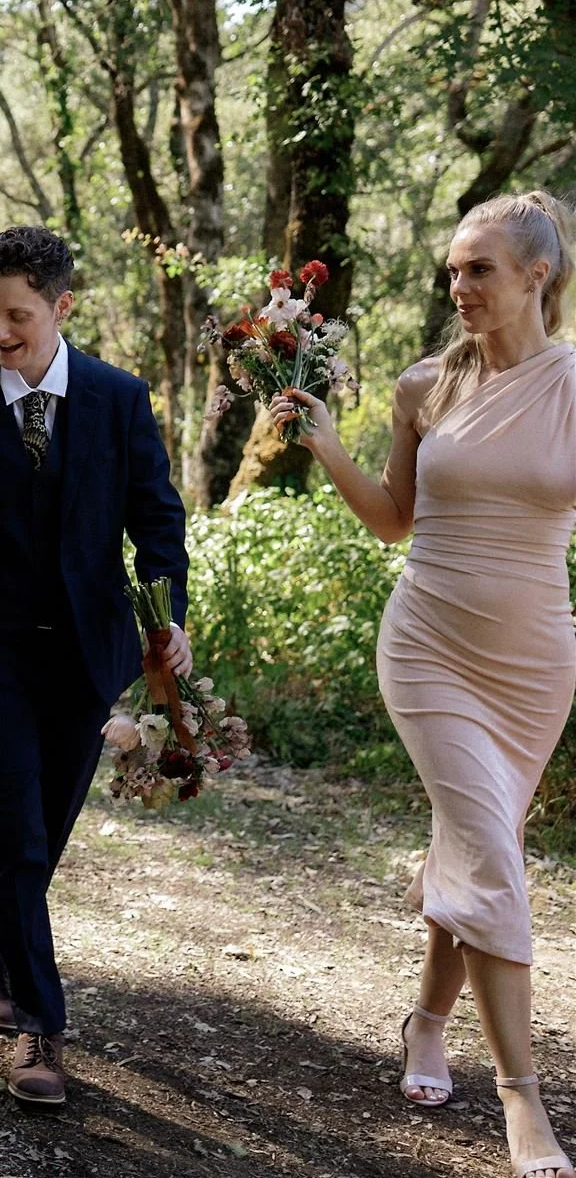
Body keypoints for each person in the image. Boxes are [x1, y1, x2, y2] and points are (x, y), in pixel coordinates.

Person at [269, 192, 574, 1178]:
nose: (457, 286)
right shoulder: (421, 386)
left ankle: (425, 1022)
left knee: (474, 847)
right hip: (427, 645)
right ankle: (521, 1103)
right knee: (491, 856)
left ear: (537, 274)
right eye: (450, 269)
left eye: (477, 268)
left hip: (531, 662)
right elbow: (392, 520)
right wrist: (323, 445)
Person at [0, 225, 190, 1107]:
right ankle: (41, 1027)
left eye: (17, 315)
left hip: (84, 651)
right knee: (16, 833)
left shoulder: (118, 397)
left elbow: (158, 521)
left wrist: (165, 616)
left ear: (61, 307)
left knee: (44, 833)